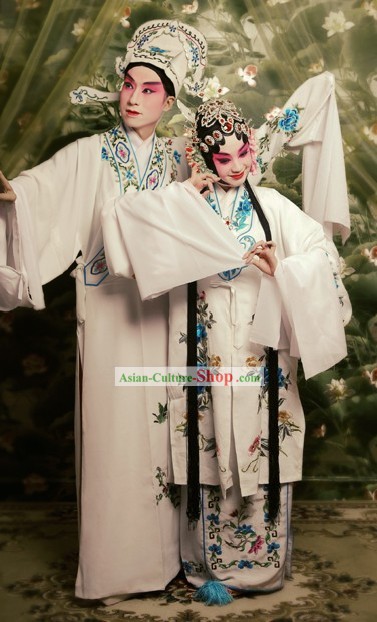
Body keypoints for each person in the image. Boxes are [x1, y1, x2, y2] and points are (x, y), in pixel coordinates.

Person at [99, 97, 351, 604]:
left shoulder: (274, 207)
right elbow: (121, 224)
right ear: (202, 158)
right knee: (208, 440)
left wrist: (282, 268)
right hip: (203, 345)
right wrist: (184, 193)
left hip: (261, 348)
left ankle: (261, 566)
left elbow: (322, 259)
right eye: (223, 159)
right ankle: (206, 564)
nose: (237, 167)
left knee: (261, 440)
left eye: (244, 154)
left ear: (253, 150)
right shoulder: (184, 205)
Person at [0, 20, 208, 603]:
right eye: (129, 85)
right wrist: (13, 194)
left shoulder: (178, 157)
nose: (134, 97)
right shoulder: (92, 153)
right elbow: (43, 189)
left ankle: (170, 556)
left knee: (167, 427)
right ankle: (114, 567)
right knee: (115, 431)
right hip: (110, 309)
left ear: (169, 102)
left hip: (164, 310)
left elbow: (209, 212)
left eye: (149, 89)